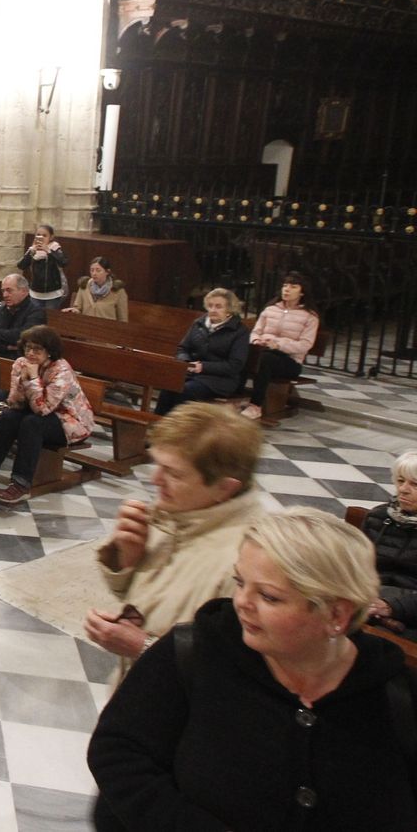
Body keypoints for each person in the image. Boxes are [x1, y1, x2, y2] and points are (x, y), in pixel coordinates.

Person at [89, 508, 417, 831]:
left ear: (337, 616)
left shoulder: (395, 695)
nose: (241, 602)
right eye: (240, 582)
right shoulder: (193, 654)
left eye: (269, 596)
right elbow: (118, 752)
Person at [83, 402, 268, 677]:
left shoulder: (250, 562)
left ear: (224, 487)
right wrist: (127, 559)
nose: (156, 480)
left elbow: (237, 676)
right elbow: (147, 601)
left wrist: (143, 647)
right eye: (158, 465)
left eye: (174, 473)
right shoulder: (185, 512)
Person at [0, 325, 96, 506]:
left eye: (37, 349)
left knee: (32, 423)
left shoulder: (61, 370)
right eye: (28, 347)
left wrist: (33, 379)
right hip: (39, 414)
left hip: (70, 421)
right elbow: (15, 402)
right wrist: (21, 384)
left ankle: (21, 485)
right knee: (9, 417)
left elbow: (43, 409)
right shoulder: (21, 363)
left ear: (50, 351)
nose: (31, 353)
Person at [155, 288, 250, 414]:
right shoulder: (199, 323)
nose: (213, 310)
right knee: (169, 385)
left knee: (186, 390)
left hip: (220, 380)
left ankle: (178, 428)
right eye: (210, 306)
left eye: (218, 306)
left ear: (230, 309)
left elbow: (235, 365)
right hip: (192, 373)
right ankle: (158, 423)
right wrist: (186, 362)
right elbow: (183, 348)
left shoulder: (239, 332)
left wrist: (203, 367)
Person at [240, 272, 319, 421]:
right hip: (264, 351)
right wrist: (257, 340)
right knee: (244, 354)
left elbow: (305, 345)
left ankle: (255, 405)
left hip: (290, 361)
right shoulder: (270, 309)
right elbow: (256, 332)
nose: (287, 289)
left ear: (302, 292)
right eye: (285, 285)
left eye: (293, 286)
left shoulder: (309, 316)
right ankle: (235, 396)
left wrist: (278, 345)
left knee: (265, 360)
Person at [361, 451, 417, 630]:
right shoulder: (378, 517)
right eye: (401, 481)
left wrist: (392, 607)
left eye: (415, 484)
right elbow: (354, 564)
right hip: (367, 598)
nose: (403, 489)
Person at [0, 273, 46, 357]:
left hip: (23, 358)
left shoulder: (36, 312)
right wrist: (5, 347)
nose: (5, 295)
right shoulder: (0, 310)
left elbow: (24, 337)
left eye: (9, 290)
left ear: (24, 291)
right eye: (3, 291)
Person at [18, 222, 68, 308]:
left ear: (51, 237)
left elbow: (63, 262)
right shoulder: (32, 250)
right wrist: (32, 252)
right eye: (38, 235)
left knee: (50, 318)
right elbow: (21, 266)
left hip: (53, 294)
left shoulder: (55, 249)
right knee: (36, 317)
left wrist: (48, 251)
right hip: (35, 293)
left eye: (44, 235)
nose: (41, 237)